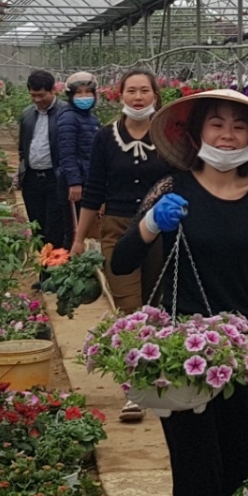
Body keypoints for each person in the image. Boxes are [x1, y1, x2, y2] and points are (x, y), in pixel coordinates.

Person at [111, 89, 248, 496]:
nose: (227, 135)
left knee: (239, 466)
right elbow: (122, 261)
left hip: (244, 354)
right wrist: (152, 220)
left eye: (239, 127)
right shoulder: (173, 188)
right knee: (196, 476)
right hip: (183, 353)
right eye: (217, 124)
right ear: (198, 132)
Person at [71, 68, 170, 422]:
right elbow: (93, 189)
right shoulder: (105, 138)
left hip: (163, 228)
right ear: (121, 95)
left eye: (145, 90)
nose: (139, 97)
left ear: (156, 95)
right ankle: (135, 388)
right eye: (132, 91)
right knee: (129, 305)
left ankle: (159, 370)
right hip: (116, 227)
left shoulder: (170, 134)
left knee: (156, 304)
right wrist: (80, 238)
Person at [17, 70, 66, 255]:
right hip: (31, 180)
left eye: (41, 95)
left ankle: (55, 275)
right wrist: (23, 168)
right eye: (33, 95)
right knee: (37, 228)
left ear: (53, 90)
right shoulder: (27, 115)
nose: (37, 99)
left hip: (55, 179)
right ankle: (44, 274)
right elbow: (22, 147)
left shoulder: (65, 113)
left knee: (55, 228)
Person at [56, 71, 100, 246]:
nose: (84, 96)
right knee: (75, 232)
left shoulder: (92, 119)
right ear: (70, 96)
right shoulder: (68, 118)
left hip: (87, 181)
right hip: (74, 185)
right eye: (79, 93)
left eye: (88, 92)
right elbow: (67, 153)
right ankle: (70, 268)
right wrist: (74, 183)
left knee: (87, 229)